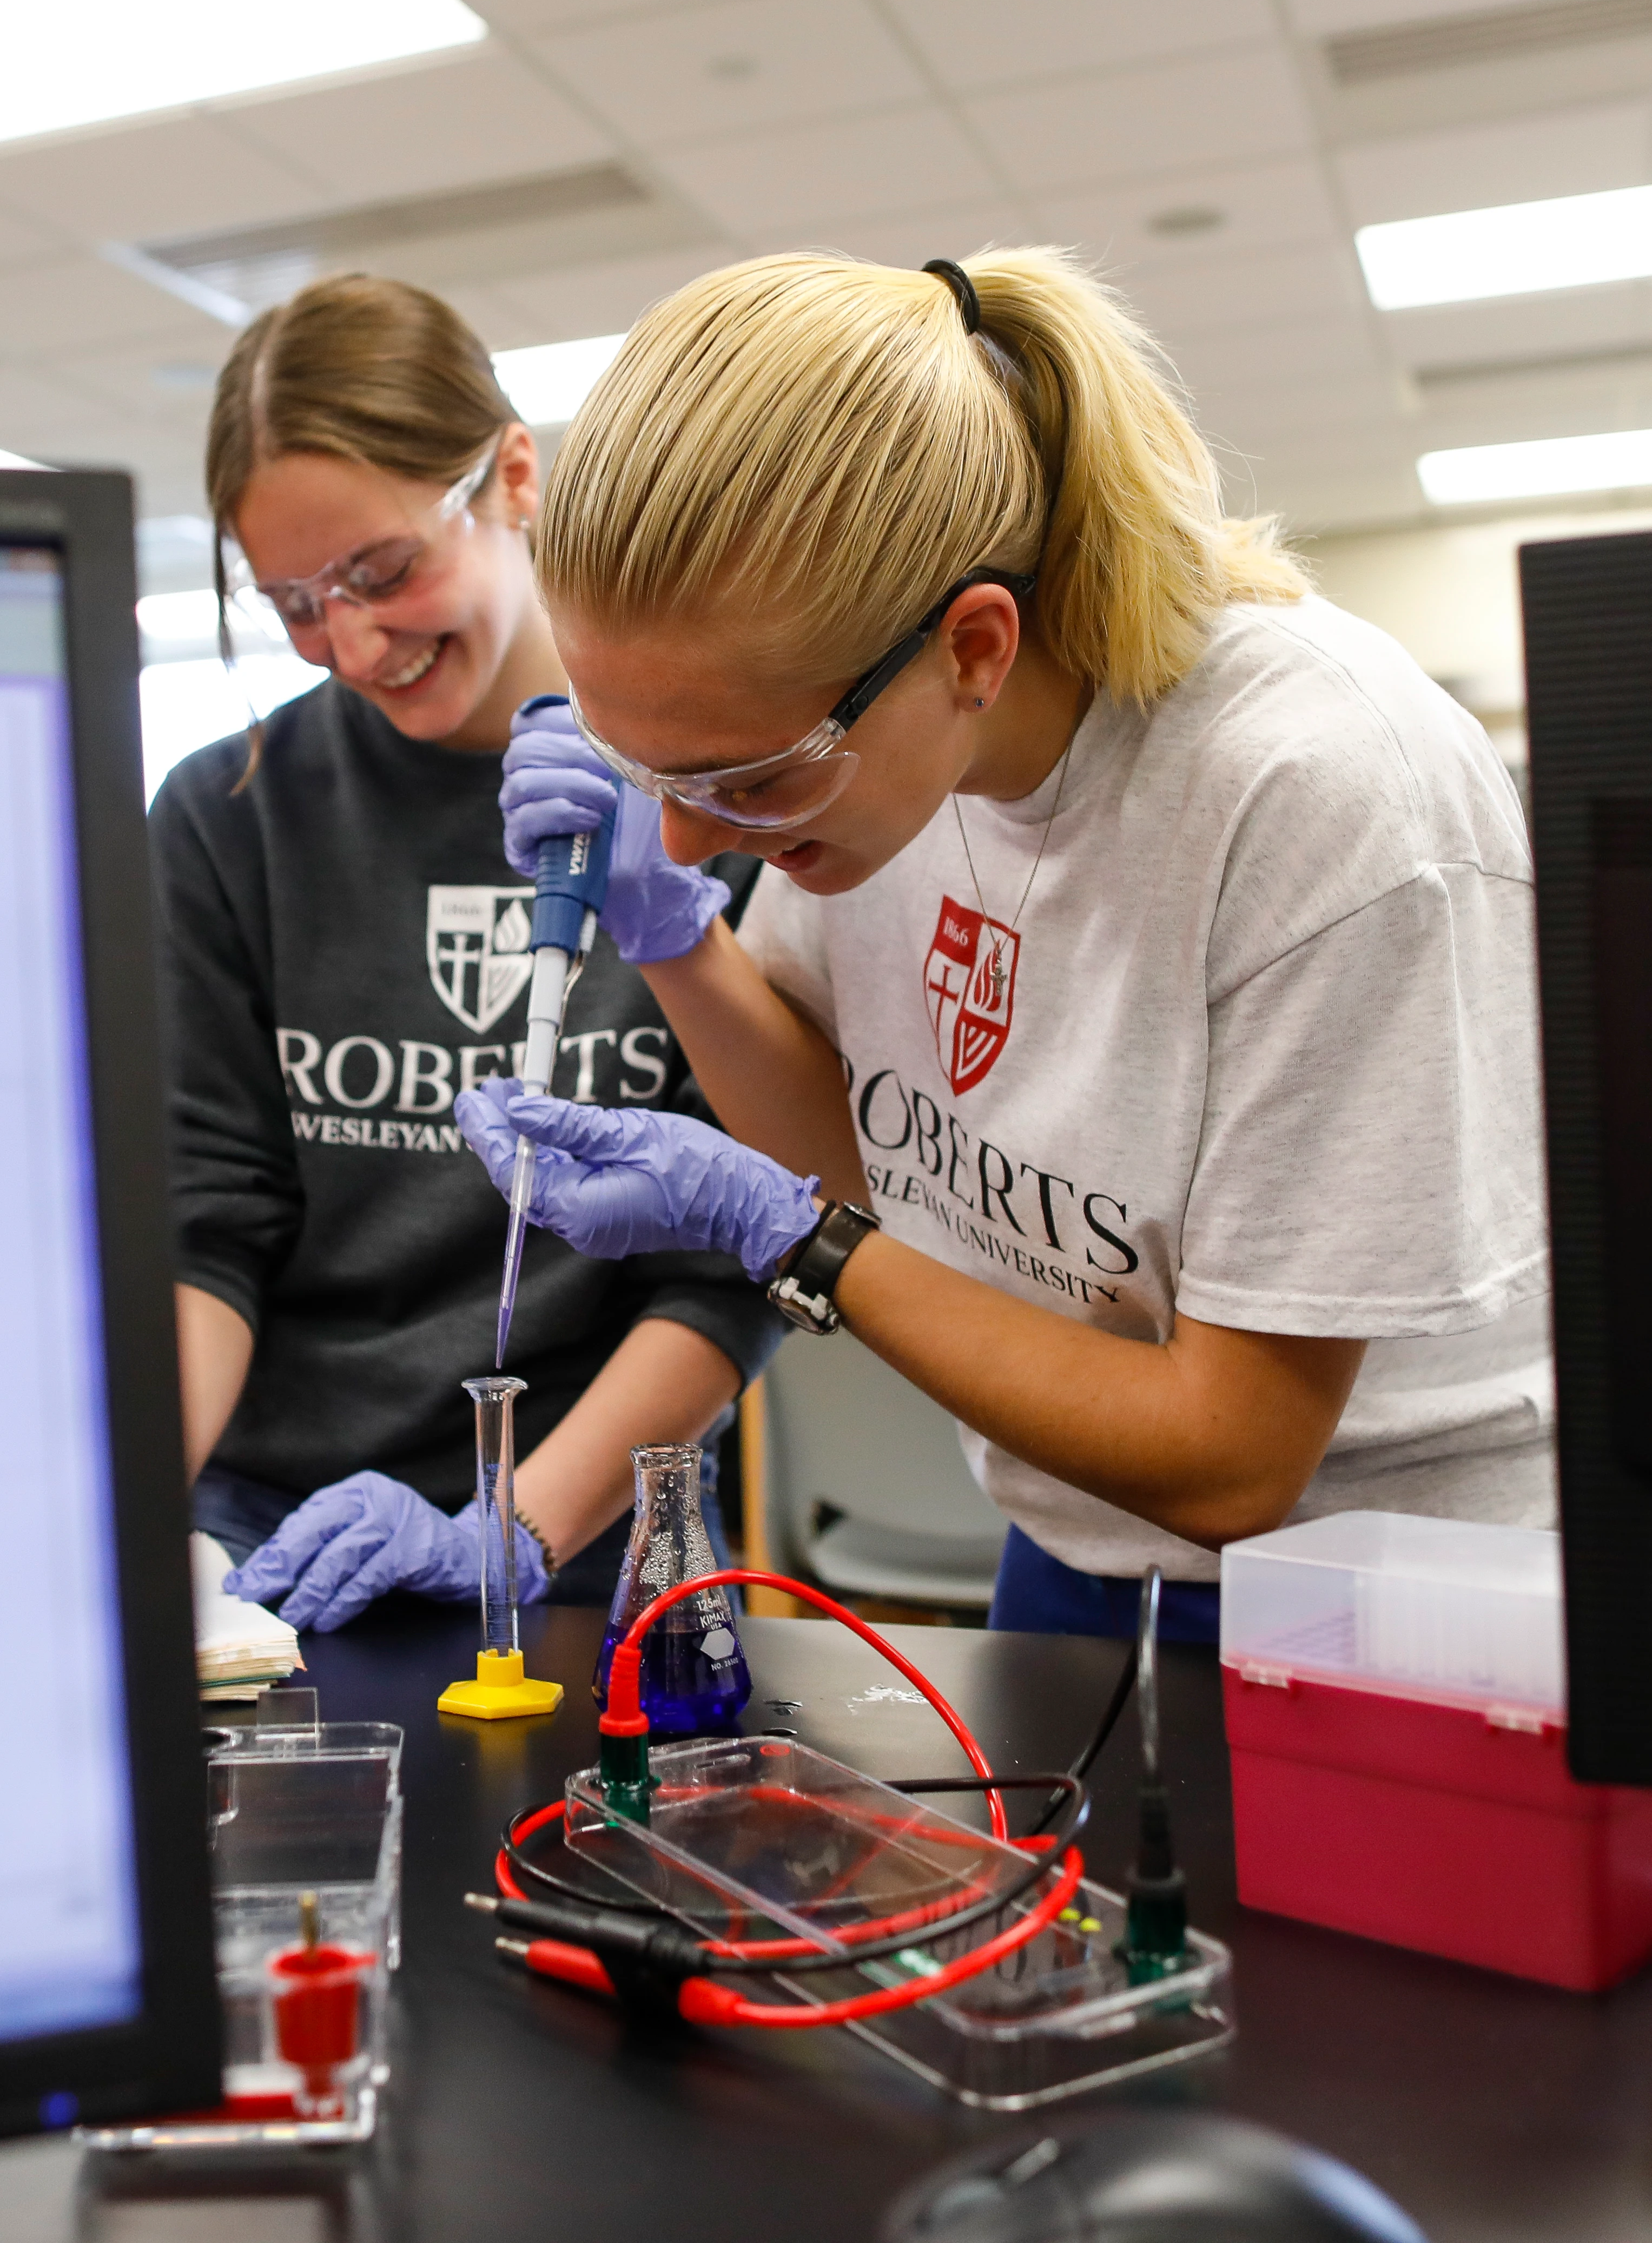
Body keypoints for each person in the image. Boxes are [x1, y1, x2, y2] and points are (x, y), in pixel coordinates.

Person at [454, 248, 1549, 1644]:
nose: (685, 834)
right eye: (648, 769)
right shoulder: (871, 765)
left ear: (973, 648)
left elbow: (1234, 1457)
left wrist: (794, 1240)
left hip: (1385, 1600)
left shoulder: (1315, 791)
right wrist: (675, 941)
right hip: (1072, 1541)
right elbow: (868, 1154)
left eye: (744, 777)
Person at [157, 273, 779, 1633]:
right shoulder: (228, 819)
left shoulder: (711, 794)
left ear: (512, 476)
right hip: (276, 1547)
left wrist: (513, 1529)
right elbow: (207, 1229)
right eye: (294, 602)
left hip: (604, 1531)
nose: (352, 642)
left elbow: (728, 1265)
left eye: (384, 572)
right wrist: (127, 1515)